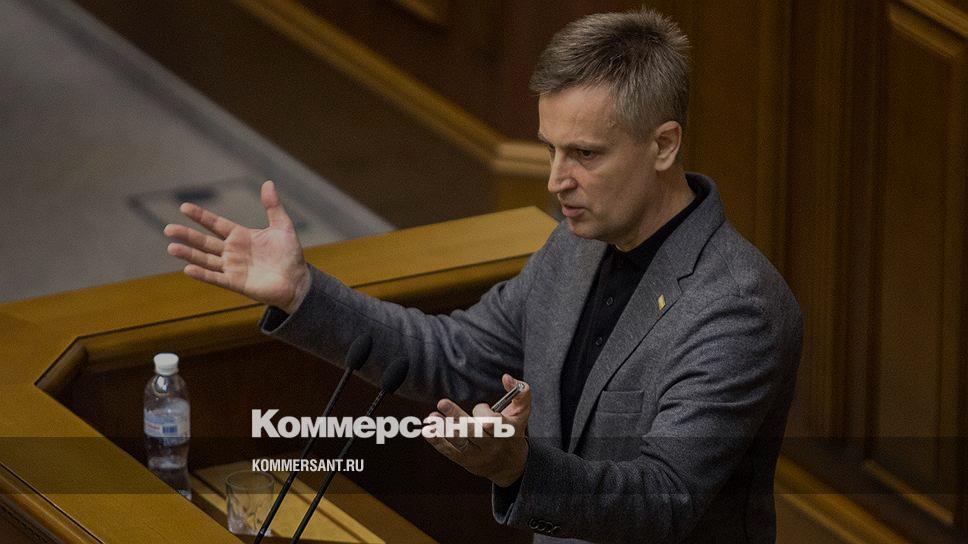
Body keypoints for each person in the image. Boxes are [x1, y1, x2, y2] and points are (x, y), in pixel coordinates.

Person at [164, 8, 801, 543]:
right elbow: (454, 353)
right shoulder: (574, 247)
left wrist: (520, 469)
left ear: (663, 145)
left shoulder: (735, 306)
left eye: (584, 154)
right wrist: (303, 294)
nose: (555, 181)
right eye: (550, 149)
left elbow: (663, 502)